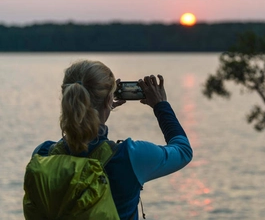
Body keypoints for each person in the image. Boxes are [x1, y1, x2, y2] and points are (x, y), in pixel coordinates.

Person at [29, 60, 193, 220]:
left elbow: (73, 145)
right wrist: (161, 105)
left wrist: (95, 111)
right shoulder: (130, 157)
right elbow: (183, 150)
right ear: (108, 100)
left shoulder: (42, 154)